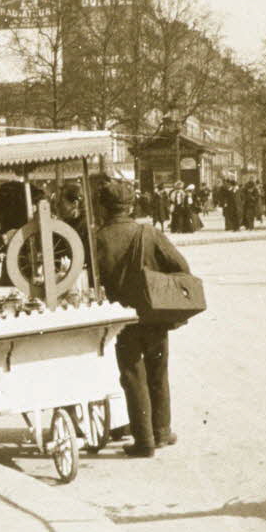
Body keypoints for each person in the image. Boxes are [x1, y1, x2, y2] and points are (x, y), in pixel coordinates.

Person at [95, 180, 191, 458]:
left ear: (104, 207)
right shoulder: (148, 233)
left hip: (123, 318)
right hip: (154, 313)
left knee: (133, 375)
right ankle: (162, 431)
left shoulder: (97, 238)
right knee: (158, 372)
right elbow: (181, 267)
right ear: (130, 206)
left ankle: (144, 439)